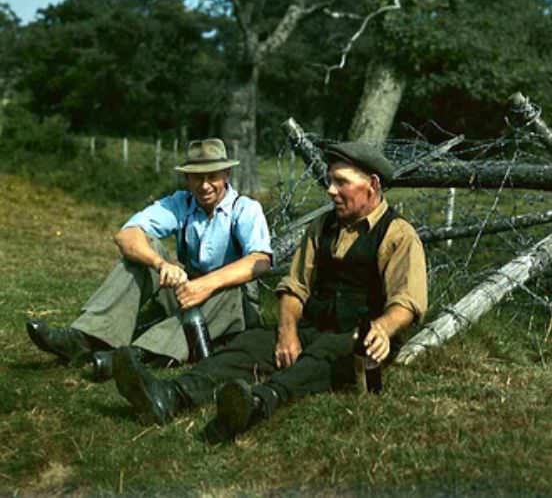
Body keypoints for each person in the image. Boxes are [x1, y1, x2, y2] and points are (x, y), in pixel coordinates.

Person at [111, 140, 427, 440]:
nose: (330, 190)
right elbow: (294, 286)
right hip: (313, 325)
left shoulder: (398, 235)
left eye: (341, 182)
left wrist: (382, 329)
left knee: (324, 355)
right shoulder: (323, 227)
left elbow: (407, 301)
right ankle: (171, 395)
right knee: (250, 344)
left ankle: (257, 404)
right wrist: (287, 332)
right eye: (330, 181)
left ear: (371, 184)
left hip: (360, 337)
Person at [26, 138, 272, 380]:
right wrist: (161, 264)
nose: (205, 185)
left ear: (227, 174)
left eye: (212, 176)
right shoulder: (181, 203)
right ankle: (86, 337)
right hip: (189, 295)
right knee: (145, 250)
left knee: (229, 289)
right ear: (187, 178)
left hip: (231, 306)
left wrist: (206, 286)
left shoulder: (245, 209)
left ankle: (134, 355)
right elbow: (126, 235)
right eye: (197, 177)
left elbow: (260, 260)